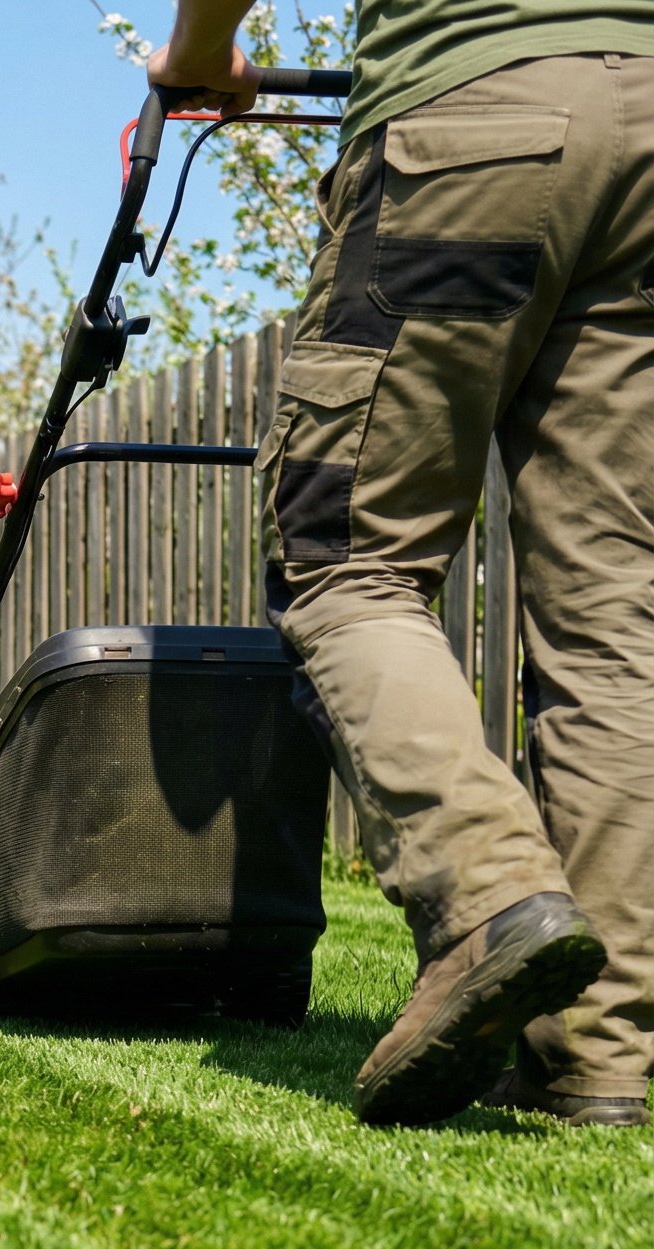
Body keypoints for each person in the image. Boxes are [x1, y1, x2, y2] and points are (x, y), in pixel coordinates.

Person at [154, 0, 654, 1128]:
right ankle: (594, 1059)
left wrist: (199, 56)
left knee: (344, 557)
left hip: (473, 116)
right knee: (615, 620)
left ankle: (488, 896)